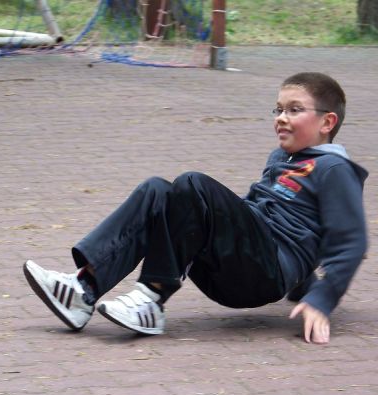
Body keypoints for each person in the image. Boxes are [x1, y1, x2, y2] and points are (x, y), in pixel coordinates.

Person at [23, 72, 368, 345]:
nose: (281, 118)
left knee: (193, 184)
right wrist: (303, 284)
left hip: (262, 276)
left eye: (294, 109)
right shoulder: (282, 157)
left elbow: (351, 242)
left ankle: (150, 299)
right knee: (157, 190)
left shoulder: (334, 169)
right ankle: (83, 290)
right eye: (278, 109)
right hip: (240, 264)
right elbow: (278, 216)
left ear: (327, 123)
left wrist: (322, 298)